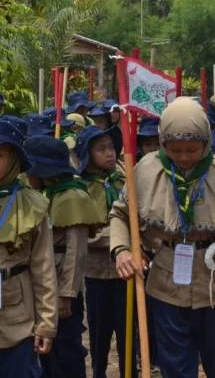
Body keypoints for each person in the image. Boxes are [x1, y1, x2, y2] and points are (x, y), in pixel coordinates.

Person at [110, 97, 215, 378]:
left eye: (192, 149)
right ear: (163, 143)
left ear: (206, 143)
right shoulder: (146, 171)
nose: (185, 157)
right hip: (166, 284)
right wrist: (122, 250)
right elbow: (120, 214)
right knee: (174, 365)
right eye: (176, 150)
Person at [25, 135, 105, 378]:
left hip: (61, 287)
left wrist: (66, 295)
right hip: (42, 287)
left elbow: (76, 252)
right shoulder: (44, 195)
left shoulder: (73, 197)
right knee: (44, 351)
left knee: (66, 352)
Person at [0, 121, 58, 376]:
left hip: (19, 320)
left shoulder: (32, 204)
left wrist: (47, 323)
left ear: (14, 159)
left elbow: (44, 268)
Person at [76, 125, 131, 378]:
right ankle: (98, 373)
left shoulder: (123, 181)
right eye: (101, 149)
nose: (110, 153)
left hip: (126, 273)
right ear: (88, 154)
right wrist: (118, 237)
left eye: (111, 147)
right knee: (99, 334)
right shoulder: (80, 190)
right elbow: (85, 233)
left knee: (127, 332)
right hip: (97, 273)